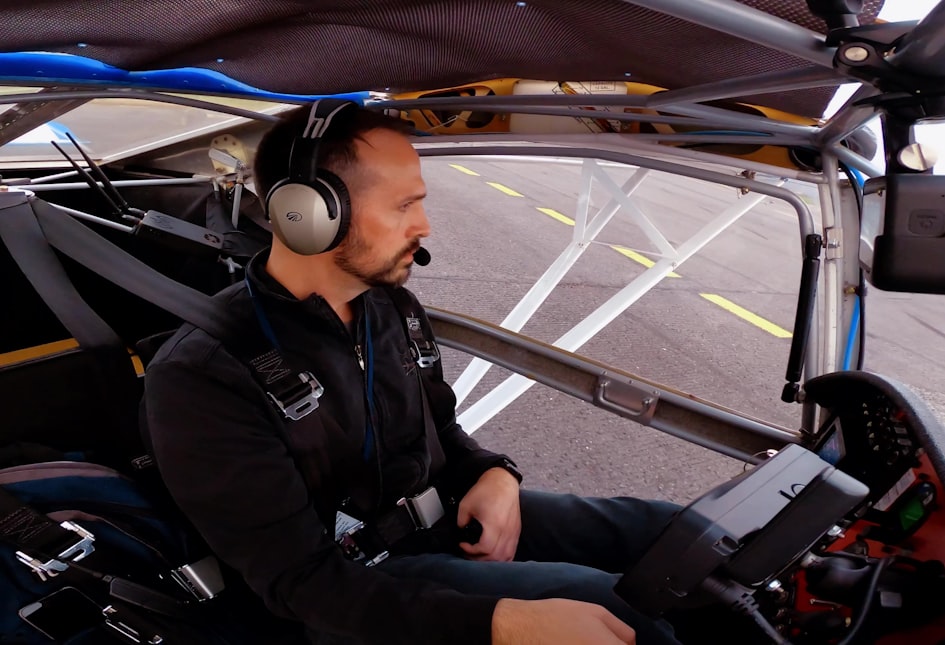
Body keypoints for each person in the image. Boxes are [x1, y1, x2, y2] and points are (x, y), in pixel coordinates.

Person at [142, 100, 681, 645]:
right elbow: (300, 584)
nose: (425, 226)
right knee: (617, 612)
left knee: (675, 539)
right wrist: (501, 624)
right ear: (307, 212)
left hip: (439, 522)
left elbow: (440, 429)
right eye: (404, 206)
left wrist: (494, 473)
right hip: (351, 596)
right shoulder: (203, 376)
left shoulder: (390, 307)